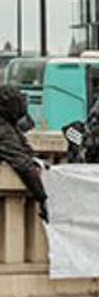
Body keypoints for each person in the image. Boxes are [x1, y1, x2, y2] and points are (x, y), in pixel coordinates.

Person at [0, 85, 48, 220]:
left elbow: (23, 149)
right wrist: (43, 197)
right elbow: (23, 164)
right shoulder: (4, 129)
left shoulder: (7, 125)